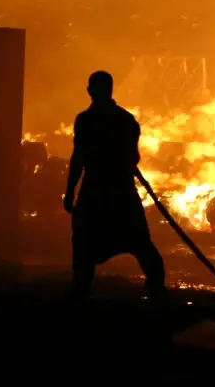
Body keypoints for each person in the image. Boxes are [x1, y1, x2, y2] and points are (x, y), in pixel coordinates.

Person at [63, 70, 167, 301]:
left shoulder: (86, 120)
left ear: (90, 91)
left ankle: (80, 295)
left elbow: (78, 158)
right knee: (139, 245)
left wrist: (71, 191)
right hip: (120, 194)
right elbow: (133, 158)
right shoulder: (125, 120)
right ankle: (158, 294)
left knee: (84, 246)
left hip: (97, 194)